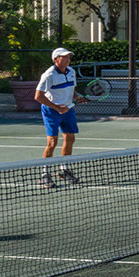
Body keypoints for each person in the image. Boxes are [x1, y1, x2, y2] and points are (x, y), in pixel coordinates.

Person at [35, 48, 87, 187]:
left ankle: (64, 169)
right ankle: (45, 174)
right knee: (52, 142)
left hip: (68, 109)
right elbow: (38, 96)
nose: (67, 59)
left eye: (68, 57)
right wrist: (58, 108)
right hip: (51, 111)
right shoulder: (48, 75)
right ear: (56, 59)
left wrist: (77, 97)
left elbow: (71, 88)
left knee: (70, 139)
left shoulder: (71, 72)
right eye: (64, 57)